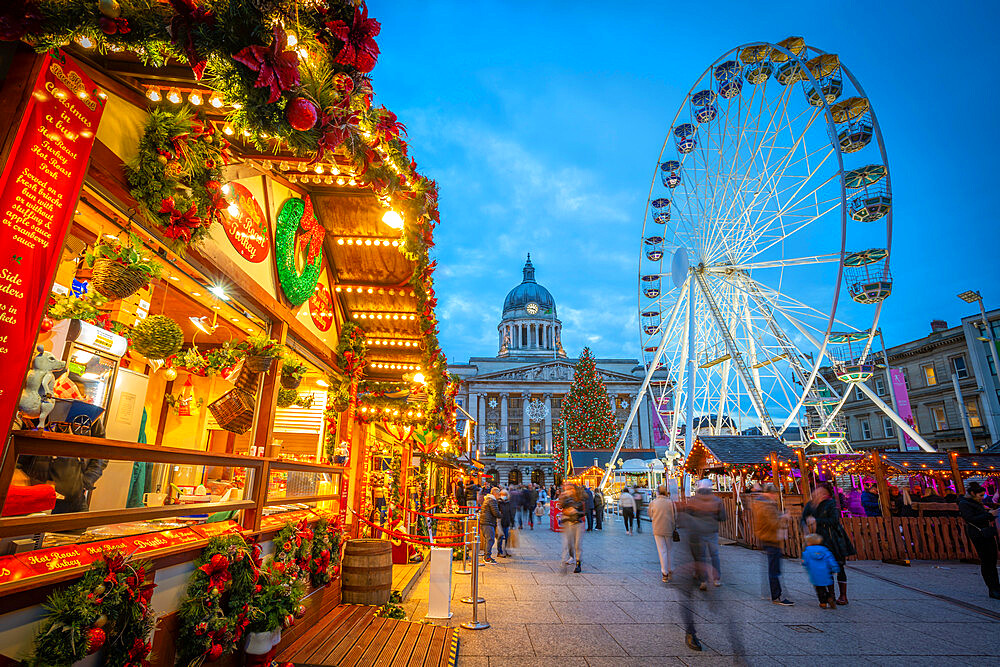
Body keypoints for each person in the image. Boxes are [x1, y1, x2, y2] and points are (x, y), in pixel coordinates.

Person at [802, 482, 855, 605]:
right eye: (817, 491)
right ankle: (831, 595)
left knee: (839, 566)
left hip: (834, 538)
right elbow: (804, 517)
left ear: (827, 494)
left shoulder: (832, 504)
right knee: (825, 567)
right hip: (820, 538)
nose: (819, 494)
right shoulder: (812, 504)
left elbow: (834, 520)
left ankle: (843, 596)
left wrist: (816, 520)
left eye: (822, 492)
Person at [958, 481, 1000, 599]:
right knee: (987, 561)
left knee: (992, 559)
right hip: (978, 533)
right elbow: (970, 518)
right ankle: (993, 588)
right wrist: (989, 515)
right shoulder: (964, 504)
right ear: (972, 493)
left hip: (986, 532)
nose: (982, 498)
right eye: (980, 495)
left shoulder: (976, 503)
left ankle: (996, 586)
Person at [753, 484, 793, 605]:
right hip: (772, 538)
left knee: (772, 567)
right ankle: (777, 596)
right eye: (775, 494)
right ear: (771, 493)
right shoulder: (767, 506)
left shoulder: (762, 504)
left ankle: (770, 593)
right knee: (774, 569)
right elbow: (773, 523)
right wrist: (784, 517)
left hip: (767, 537)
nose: (776, 496)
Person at [687, 479, 726, 589]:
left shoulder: (693, 500)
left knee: (702, 556)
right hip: (712, 531)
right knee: (715, 555)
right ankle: (716, 579)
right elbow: (722, 517)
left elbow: (688, 514)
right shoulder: (717, 500)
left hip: (698, 531)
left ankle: (703, 580)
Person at [802, 533, 840, 609]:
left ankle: (823, 603)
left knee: (819, 589)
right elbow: (831, 560)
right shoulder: (825, 550)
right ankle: (830, 597)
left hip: (814, 573)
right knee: (828, 586)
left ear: (809, 542)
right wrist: (835, 569)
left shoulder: (807, 552)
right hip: (826, 572)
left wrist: (806, 566)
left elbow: (805, 562)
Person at [648, 485, 676, 582]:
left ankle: (664, 573)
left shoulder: (653, 502)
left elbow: (650, 515)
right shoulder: (670, 502)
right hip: (669, 528)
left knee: (662, 550)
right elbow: (674, 515)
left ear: (658, 492)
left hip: (657, 529)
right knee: (670, 549)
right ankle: (671, 568)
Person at [559, 482, 585, 572]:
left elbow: (584, 512)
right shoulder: (566, 498)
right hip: (568, 523)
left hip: (577, 523)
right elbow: (561, 506)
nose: (569, 491)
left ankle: (578, 563)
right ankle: (571, 557)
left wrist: (576, 512)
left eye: (571, 489)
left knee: (577, 544)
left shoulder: (579, 499)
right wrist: (563, 497)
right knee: (570, 543)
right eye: (568, 489)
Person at [479, 487, 502, 563]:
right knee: (490, 539)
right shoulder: (492, 500)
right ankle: (487, 557)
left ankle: (486, 556)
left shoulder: (488, 499)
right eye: (499, 494)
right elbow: (495, 512)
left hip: (485, 522)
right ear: (495, 493)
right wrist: (501, 515)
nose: (499, 496)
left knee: (488, 539)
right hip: (487, 522)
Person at [497, 489, 516, 558]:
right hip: (500, 522)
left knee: (507, 537)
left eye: (505, 495)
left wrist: (512, 522)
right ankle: (499, 552)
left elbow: (511, 513)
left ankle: (505, 551)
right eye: (502, 494)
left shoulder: (509, 503)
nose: (503, 496)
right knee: (500, 537)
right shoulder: (498, 502)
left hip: (507, 522)